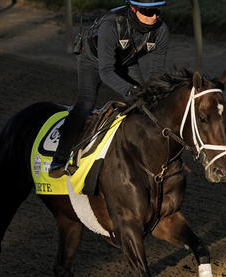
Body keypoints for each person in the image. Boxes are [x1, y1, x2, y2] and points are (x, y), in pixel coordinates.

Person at [49, 0, 169, 178]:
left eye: (157, 11)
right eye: (148, 11)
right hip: (93, 61)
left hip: (126, 61)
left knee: (146, 103)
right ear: (133, 9)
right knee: (86, 104)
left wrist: (149, 94)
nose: (154, 17)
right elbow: (106, 72)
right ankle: (59, 159)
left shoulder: (161, 30)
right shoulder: (110, 25)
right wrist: (130, 90)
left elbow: (156, 73)